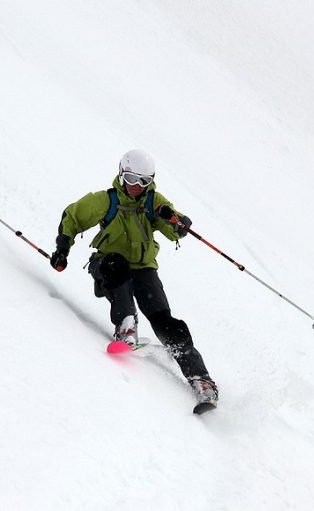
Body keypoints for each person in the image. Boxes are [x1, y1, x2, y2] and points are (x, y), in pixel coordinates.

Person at [49, 149, 218, 405]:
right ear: (121, 174)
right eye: (131, 179)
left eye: (143, 181)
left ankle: (201, 379)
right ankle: (126, 326)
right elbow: (72, 216)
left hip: (144, 268)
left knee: (166, 322)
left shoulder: (153, 202)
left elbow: (176, 231)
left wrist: (177, 222)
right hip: (108, 264)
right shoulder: (106, 200)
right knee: (118, 267)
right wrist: (63, 249)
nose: (136, 187)